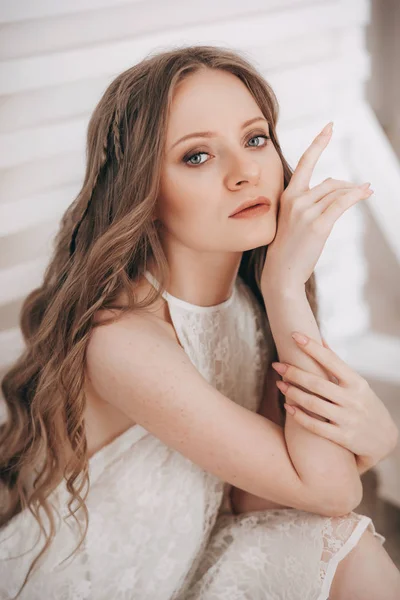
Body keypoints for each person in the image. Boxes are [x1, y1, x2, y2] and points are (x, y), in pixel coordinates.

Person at [0, 44, 399, 600]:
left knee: (342, 543)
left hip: (187, 566)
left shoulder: (248, 304)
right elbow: (328, 487)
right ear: (142, 189)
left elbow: (257, 496)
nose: (245, 173)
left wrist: (279, 294)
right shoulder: (123, 339)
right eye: (197, 157)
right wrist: (371, 444)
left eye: (255, 139)